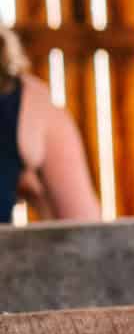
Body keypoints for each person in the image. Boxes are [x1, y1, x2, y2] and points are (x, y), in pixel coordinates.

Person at [0, 28, 99, 223]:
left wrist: (40, 198)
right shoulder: (29, 105)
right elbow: (86, 229)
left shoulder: (31, 106)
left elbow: (83, 226)